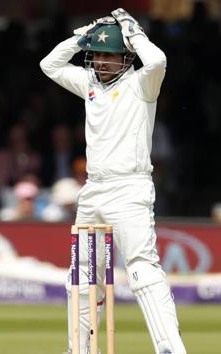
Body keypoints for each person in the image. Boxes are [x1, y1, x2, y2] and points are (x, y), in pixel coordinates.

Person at [40, 9, 186, 354]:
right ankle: (80, 349)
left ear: (126, 59)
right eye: (99, 55)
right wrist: (83, 37)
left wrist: (133, 31)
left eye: (110, 56)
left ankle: (169, 348)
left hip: (129, 189)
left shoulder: (141, 84)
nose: (103, 62)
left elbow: (158, 61)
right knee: (83, 275)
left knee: (141, 271)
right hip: (93, 191)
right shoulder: (89, 85)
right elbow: (50, 65)